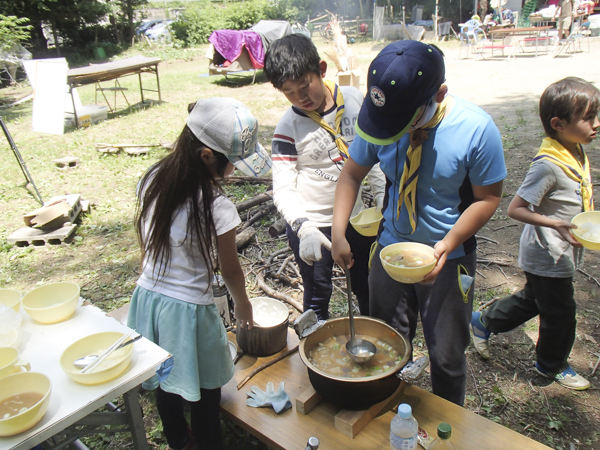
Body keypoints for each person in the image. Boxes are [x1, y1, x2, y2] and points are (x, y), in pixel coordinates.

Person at [331, 40, 506, 406]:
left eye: (399, 122)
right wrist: (337, 232)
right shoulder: (382, 118)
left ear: (438, 94)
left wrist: (447, 243)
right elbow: (351, 175)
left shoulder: (476, 129)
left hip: (449, 255)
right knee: (385, 345)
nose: (386, 130)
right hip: (390, 249)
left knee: (447, 356)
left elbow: (488, 198)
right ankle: (390, 414)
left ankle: (448, 427)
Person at [127, 97, 272, 450]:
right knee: (207, 391)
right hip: (188, 310)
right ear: (207, 155)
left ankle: (178, 439)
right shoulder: (216, 207)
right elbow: (230, 268)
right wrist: (243, 306)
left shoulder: (153, 177)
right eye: (231, 164)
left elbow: (147, 240)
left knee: (166, 378)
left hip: (148, 299)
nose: (233, 172)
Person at [471, 77, 600, 391]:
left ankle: (483, 322)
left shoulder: (574, 150)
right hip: (547, 253)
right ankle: (551, 363)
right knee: (561, 311)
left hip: (560, 250)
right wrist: (554, 224)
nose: (596, 124)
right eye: (588, 118)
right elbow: (515, 208)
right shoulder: (548, 165)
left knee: (534, 299)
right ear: (558, 123)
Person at [263, 34, 386, 320]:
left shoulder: (354, 99)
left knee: (366, 286)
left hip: (355, 221)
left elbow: (372, 153)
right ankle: (315, 355)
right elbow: (283, 189)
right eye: (289, 92)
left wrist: (381, 198)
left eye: (305, 86)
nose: (301, 98)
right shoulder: (287, 128)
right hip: (312, 224)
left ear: (321, 69)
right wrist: (303, 228)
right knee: (317, 293)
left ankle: (372, 345)